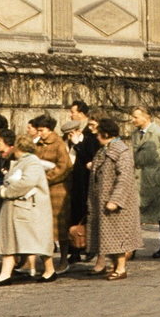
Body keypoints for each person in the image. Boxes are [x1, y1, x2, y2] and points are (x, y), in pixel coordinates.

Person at [0, 132, 57, 285]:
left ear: (19, 147)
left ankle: (49, 270)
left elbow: (27, 182)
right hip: (18, 208)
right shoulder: (20, 161)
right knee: (11, 241)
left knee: (36, 240)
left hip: (29, 209)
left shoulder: (31, 162)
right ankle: (5, 273)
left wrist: (6, 191)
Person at [87, 115, 141, 280]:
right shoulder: (104, 150)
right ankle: (114, 265)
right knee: (108, 237)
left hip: (117, 204)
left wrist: (115, 200)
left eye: (98, 134)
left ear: (105, 134)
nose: (96, 137)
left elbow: (124, 178)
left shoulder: (121, 150)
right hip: (102, 200)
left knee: (119, 236)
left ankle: (121, 268)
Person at [129, 106, 160, 259]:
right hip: (140, 177)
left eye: (136, 117)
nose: (133, 120)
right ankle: (133, 247)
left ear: (146, 117)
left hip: (157, 177)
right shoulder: (134, 134)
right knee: (136, 212)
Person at [27, 116, 71, 263]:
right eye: (38, 130)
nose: (39, 133)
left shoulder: (58, 144)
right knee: (43, 227)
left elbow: (64, 167)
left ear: (50, 129)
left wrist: (47, 178)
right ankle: (45, 261)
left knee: (60, 227)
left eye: (42, 130)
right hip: (42, 191)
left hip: (57, 191)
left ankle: (64, 259)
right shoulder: (38, 144)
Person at [63, 104, 99, 263]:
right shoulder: (80, 136)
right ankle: (75, 248)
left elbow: (89, 158)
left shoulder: (93, 138)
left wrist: (78, 144)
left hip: (87, 181)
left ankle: (88, 246)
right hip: (76, 180)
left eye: (73, 112)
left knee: (86, 215)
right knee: (75, 214)